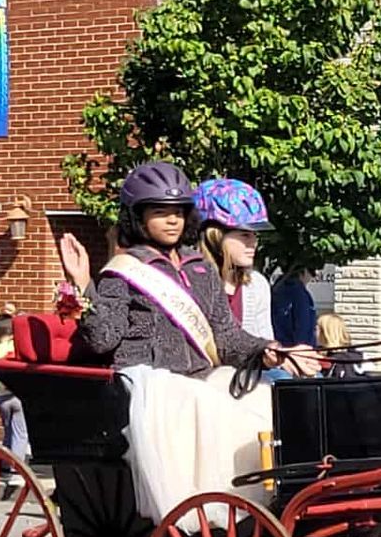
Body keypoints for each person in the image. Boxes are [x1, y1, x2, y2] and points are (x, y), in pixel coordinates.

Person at [61, 162, 306, 378]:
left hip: (201, 384)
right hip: (147, 389)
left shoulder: (202, 270)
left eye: (178, 212)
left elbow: (227, 337)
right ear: (137, 218)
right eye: (160, 212)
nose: (172, 220)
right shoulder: (122, 273)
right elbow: (102, 339)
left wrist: (267, 351)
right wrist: (83, 284)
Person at [193, 178, 276, 343]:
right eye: (244, 235)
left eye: (255, 236)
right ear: (214, 236)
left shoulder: (257, 285)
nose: (253, 243)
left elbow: (264, 343)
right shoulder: (188, 283)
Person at [0, 312, 30, 460]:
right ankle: (17, 466)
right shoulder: (15, 347)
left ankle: (4, 463)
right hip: (17, 394)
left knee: (7, 431)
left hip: (1, 396)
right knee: (20, 433)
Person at [272, 268, 319, 349]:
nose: (312, 278)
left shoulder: (276, 291)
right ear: (303, 272)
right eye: (312, 273)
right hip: (297, 350)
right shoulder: (300, 294)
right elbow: (303, 324)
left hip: (278, 347)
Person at [315, 311, 366, 376]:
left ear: (326, 333)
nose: (314, 333)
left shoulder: (341, 361)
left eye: (316, 329)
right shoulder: (358, 356)